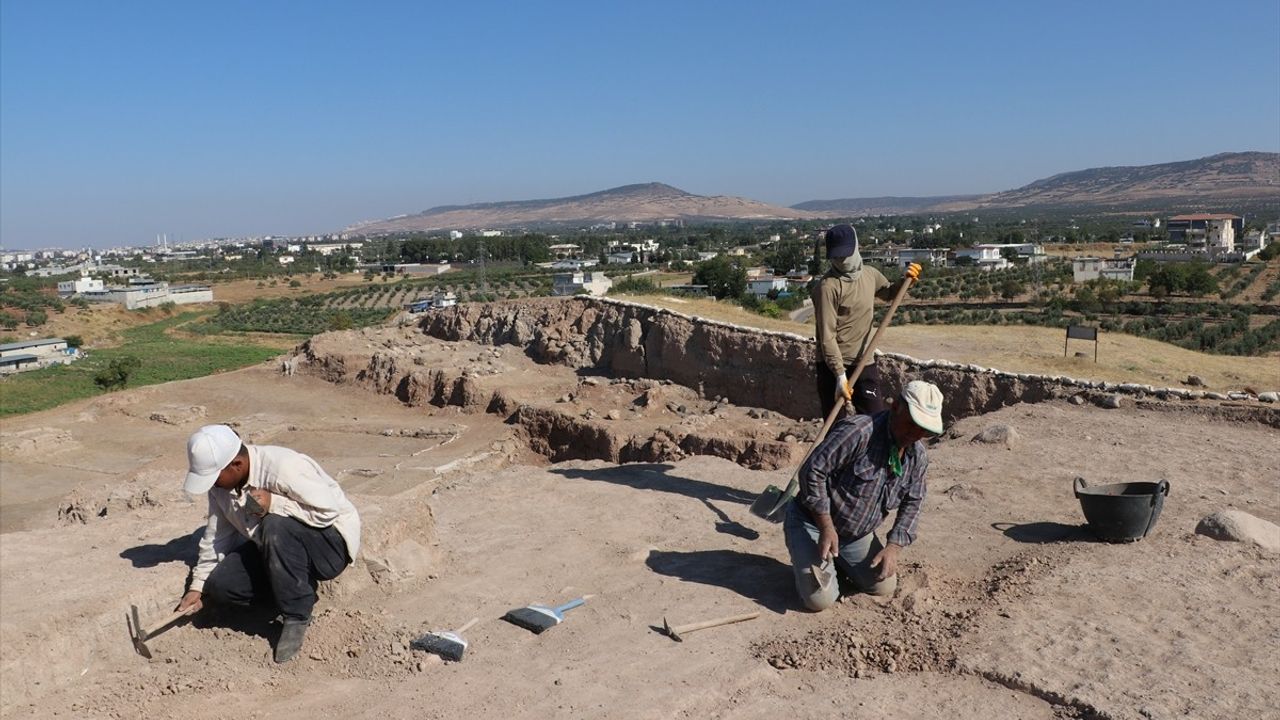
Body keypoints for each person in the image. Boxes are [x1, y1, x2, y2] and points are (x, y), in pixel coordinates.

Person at [174, 424, 361, 663]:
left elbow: (327, 512)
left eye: (214, 477)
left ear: (237, 465)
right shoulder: (221, 488)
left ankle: (296, 615)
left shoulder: (284, 467)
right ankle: (290, 587)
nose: (212, 484)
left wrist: (275, 503)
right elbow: (218, 536)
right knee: (222, 585)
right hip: (275, 547)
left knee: (274, 524)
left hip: (329, 545)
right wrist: (197, 586)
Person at [784, 380, 943, 611]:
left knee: (884, 585)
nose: (915, 434)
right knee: (819, 600)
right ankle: (808, 556)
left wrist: (893, 547)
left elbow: (913, 502)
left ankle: (837, 564)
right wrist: (826, 526)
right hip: (813, 523)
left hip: (856, 534)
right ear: (896, 406)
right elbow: (813, 471)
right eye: (912, 424)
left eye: (924, 430)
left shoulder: (917, 456)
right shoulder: (858, 432)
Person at [811, 223, 922, 419]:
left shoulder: (870, 274)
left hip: (863, 360)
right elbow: (827, 337)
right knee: (836, 428)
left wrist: (906, 282)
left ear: (855, 248)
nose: (841, 260)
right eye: (836, 256)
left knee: (874, 420)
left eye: (844, 254)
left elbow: (888, 293)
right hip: (833, 366)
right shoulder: (827, 287)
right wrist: (839, 375)